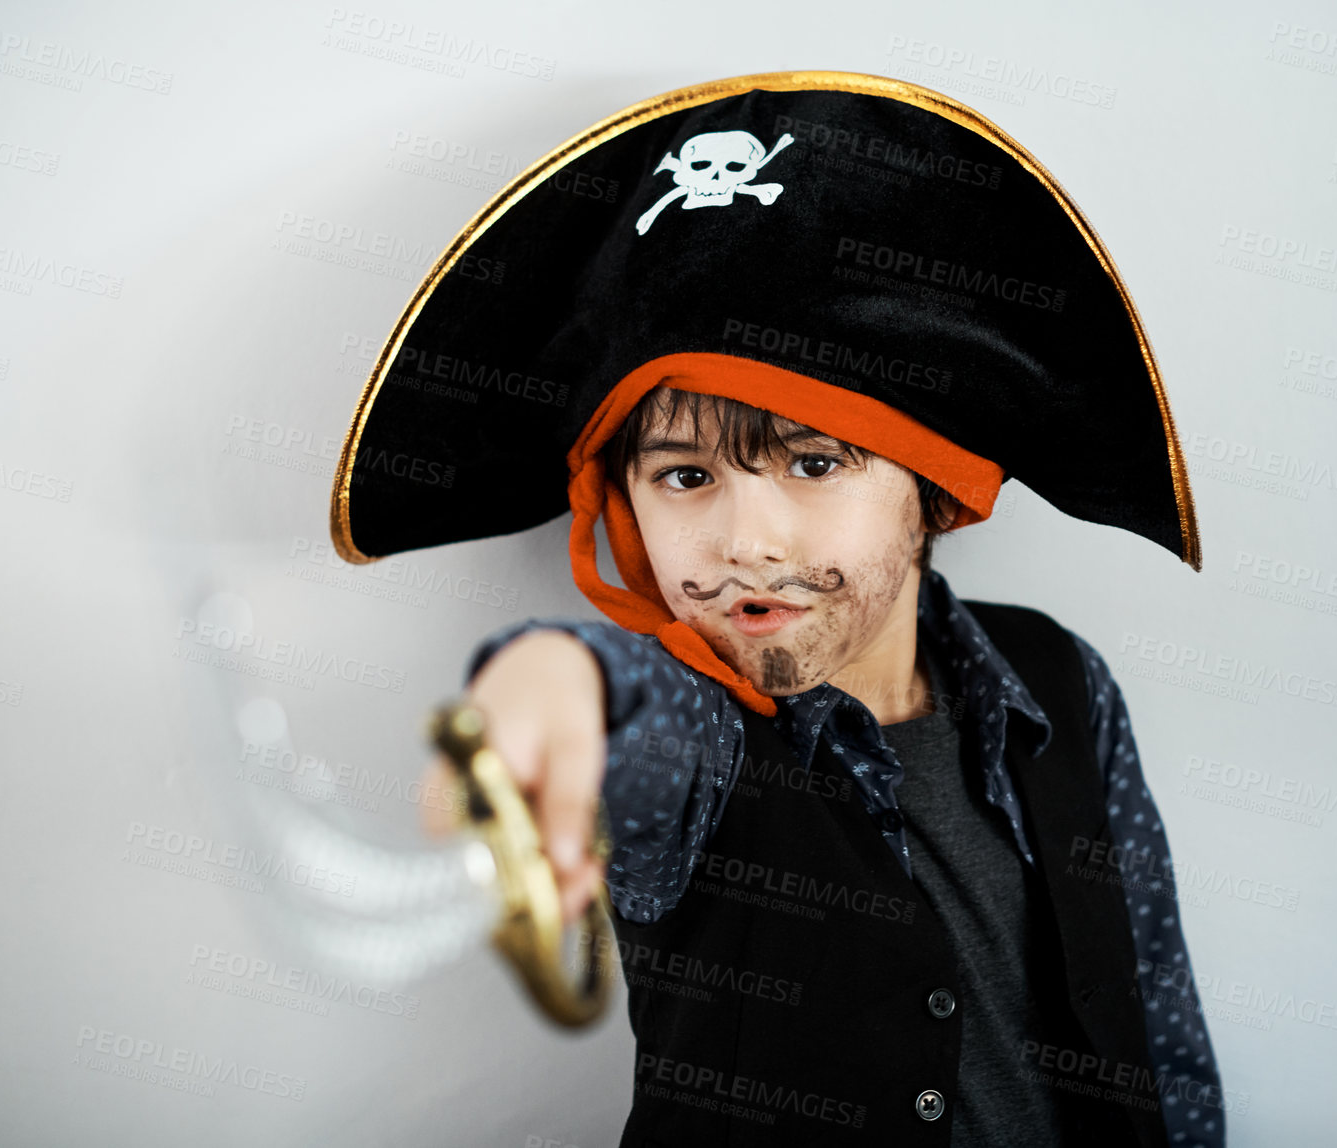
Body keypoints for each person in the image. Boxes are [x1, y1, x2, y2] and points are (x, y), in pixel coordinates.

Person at [331, 71, 1225, 1147]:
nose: (747, 542)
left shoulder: (1058, 682)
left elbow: (1156, 1023)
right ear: (621, 502)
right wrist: (549, 678)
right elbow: (624, 696)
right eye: (683, 477)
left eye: (812, 462)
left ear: (935, 486)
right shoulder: (699, 739)